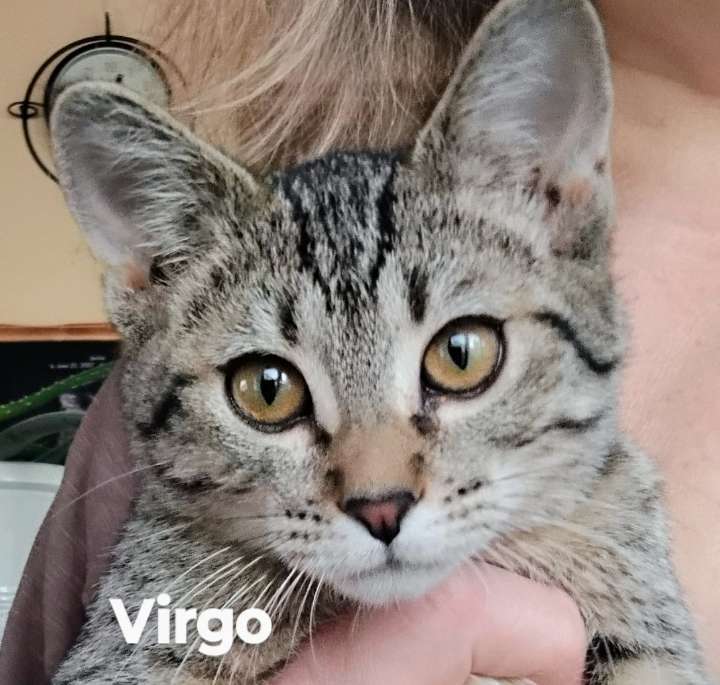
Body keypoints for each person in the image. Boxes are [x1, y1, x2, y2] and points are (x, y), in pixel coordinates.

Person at [1, 0, 718, 683]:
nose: (379, 490)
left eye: (458, 358)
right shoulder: (187, 556)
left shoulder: (613, 519)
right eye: (269, 390)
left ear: (553, 196)